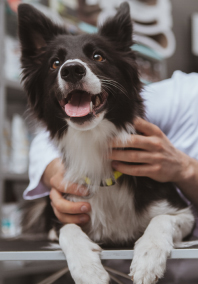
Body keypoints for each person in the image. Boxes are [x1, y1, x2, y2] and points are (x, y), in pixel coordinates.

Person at [24, 70, 198, 283]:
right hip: (118, 267)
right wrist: (59, 173)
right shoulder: (187, 93)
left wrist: (188, 170)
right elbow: (47, 133)